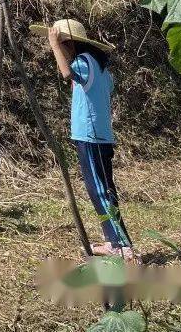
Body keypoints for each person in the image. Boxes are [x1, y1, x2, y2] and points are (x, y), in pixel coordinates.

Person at [34, 18, 133, 259]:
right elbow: (91, 89)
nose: (60, 50)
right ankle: (114, 241)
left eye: (62, 44)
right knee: (102, 187)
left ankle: (122, 245)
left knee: (98, 189)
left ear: (69, 44)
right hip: (100, 135)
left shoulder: (81, 62)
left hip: (90, 136)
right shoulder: (101, 68)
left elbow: (66, 73)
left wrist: (53, 45)